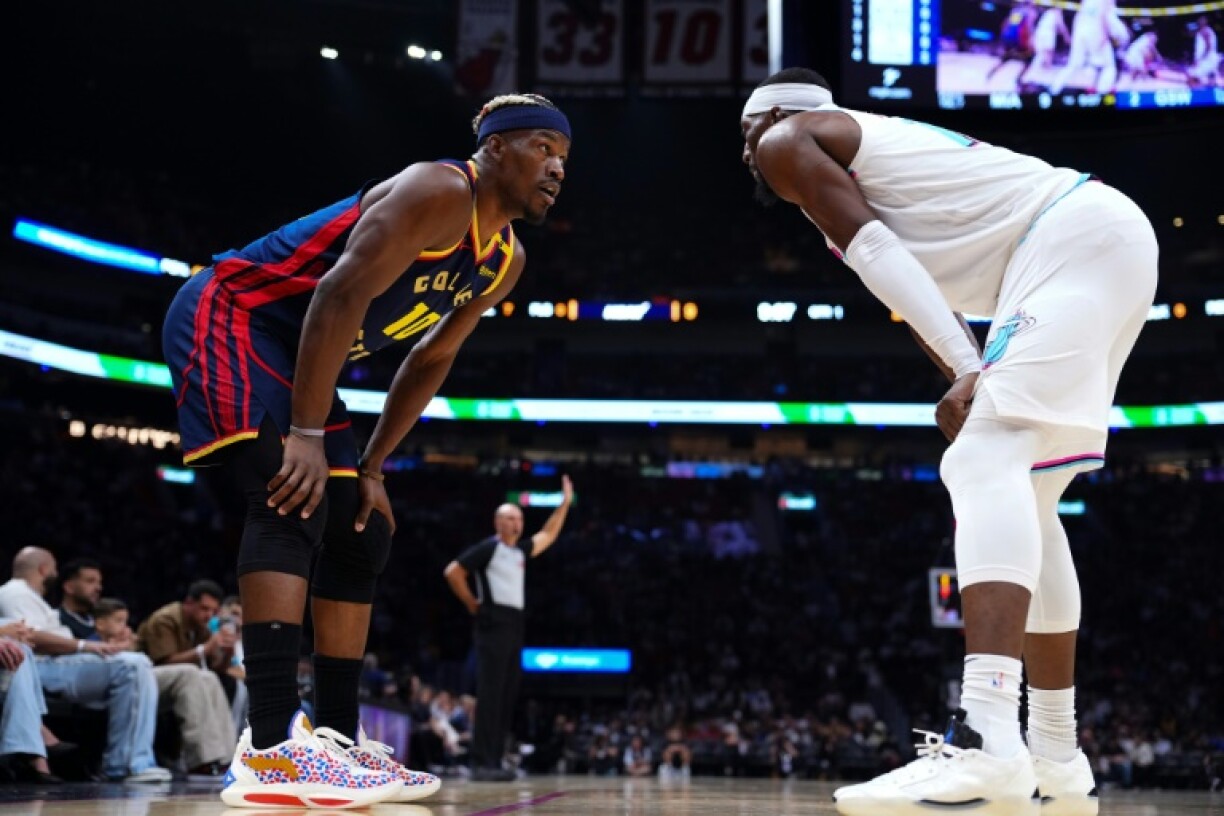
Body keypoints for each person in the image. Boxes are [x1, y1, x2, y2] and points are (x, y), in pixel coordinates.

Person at [739, 68, 1157, 811]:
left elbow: (879, 259)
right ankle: (1056, 755)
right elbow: (907, 285)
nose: (748, 152)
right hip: (1082, 247)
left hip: (1069, 242)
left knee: (982, 456)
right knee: (1029, 495)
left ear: (772, 115)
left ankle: (988, 736)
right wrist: (966, 369)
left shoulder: (787, 139)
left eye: (746, 131)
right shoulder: (862, 154)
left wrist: (969, 366)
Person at [161, 91, 570, 808]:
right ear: (495, 147)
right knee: (291, 497)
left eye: (564, 156)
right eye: (543, 147)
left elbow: (429, 361)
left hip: (299, 352)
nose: (557, 167)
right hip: (234, 315)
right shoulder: (439, 188)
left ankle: (336, 742)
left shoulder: (504, 258)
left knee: (364, 526)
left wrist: (374, 463)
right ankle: (271, 746)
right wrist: (311, 436)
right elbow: (337, 296)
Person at [443, 475, 574, 781]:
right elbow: (453, 571)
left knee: (506, 693)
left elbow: (548, 535)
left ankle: (495, 760)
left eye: (519, 518)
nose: (517, 523)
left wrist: (564, 503)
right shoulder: (489, 548)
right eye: (511, 518)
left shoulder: (518, 552)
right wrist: (471, 603)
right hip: (493, 621)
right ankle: (481, 762)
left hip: (514, 623)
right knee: (490, 693)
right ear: (498, 522)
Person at [0, 548, 170, 783]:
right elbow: (31, 638)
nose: (56, 574)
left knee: (134, 663)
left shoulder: (32, 598)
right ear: (44, 569)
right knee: (133, 666)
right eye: (55, 568)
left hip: (58, 664)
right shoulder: (15, 592)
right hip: (44, 667)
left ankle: (127, 763)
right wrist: (85, 646)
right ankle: (129, 764)